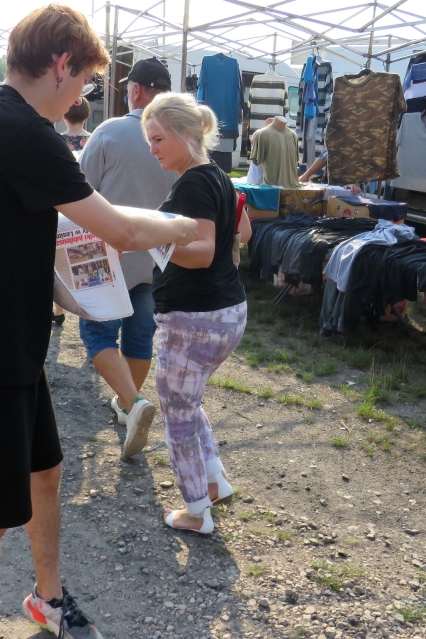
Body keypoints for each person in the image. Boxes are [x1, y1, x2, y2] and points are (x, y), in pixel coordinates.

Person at [0, 6, 197, 639]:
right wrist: (185, 226)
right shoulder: (20, 131)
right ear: (61, 64)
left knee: (45, 473)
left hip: (9, 345)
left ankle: (48, 598)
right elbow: (122, 229)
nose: (80, 97)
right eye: (84, 82)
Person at [141, 92, 252, 534]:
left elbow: (203, 252)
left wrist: (147, 236)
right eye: (150, 141)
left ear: (186, 135)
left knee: (178, 416)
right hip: (224, 311)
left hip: (194, 318)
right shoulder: (218, 176)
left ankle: (195, 511)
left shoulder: (192, 182)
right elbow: (243, 230)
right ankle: (214, 482)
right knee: (188, 403)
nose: (152, 149)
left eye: (158, 139)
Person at [78, 56, 178, 459]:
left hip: (106, 256)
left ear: (134, 90)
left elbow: (78, 191)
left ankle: (133, 403)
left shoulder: (109, 132)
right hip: (156, 257)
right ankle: (128, 406)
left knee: (97, 334)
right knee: (139, 336)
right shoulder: (178, 141)